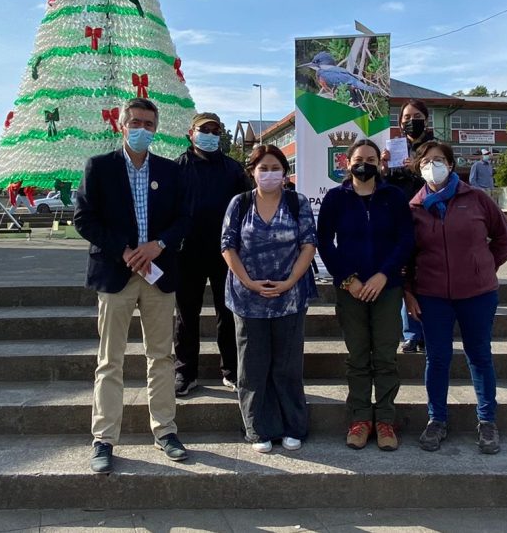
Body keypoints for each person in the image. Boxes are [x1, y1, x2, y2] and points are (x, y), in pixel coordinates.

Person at [73, 97, 191, 474]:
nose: (142, 129)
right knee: (110, 361)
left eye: (149, 124)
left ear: (156, 129)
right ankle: (104, 438)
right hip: (116, 273)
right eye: (135, 122)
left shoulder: (171, 171)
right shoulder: (100, 167)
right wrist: (124, 251)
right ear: (122, 125)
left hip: (159, 276)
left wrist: (159, 244)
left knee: (162, 357)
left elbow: (184, 218)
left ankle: (166, 431)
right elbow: (84, 219)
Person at [405, 140, 507, 455]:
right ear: (419, 167)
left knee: (479, 356)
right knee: (437, 359)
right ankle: (436, 419)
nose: (433, 166)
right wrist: (409, 291)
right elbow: (407, 256)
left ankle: (487, 421)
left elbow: (504, 236)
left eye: (439, 160)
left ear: (451, 165)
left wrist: (485, 266)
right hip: (433, 296)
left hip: (477, 295)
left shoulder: (476, 199)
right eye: (426, 161)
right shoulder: (414, 209)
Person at [317, 139, 414, 451]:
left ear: (379, 163)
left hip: (386, 289)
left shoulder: (394, 197)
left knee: (385, 357)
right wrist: (348, 279)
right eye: (359, 159)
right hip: (350, 290)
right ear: (347, 162)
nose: (364, 164)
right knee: (357, 357)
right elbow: (324, 243)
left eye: (371, 159)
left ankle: (385, 419)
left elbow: (406, 240)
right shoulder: (335, 198)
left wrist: (383, 275)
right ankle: (360, 419)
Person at [221, 145, 317, 454]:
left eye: (276, 168)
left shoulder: (296, 202)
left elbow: (308, 244)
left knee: (287, 365)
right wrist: (248, 281)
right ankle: (257, 428)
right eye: (263, 168)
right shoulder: (240, 203)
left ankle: (293, 426)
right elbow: (227, 245)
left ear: (285, 173)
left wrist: (290, 280)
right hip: (248, 298)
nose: (269, 173)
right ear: (252, 172)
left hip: (290, 297)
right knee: (252, 366)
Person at [174, 112, 253, 397]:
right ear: (191, 133)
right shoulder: (177, 168)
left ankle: (231, 370)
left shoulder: (233, 169)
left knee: (228, 312)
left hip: (226, 254)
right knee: (185, 315)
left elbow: (247, 209)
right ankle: (185, 372)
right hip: (187, 253)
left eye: (214, 130)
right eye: (203, 129)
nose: (209, 134)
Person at [380, 99, 435, 354]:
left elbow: (436, 177)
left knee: (427, 276)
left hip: (429, 217)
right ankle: (411, 334)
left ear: (425, 118)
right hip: (401, 218)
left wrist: (413, 168)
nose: (409, 121)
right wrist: (384, 167)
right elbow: (387, 186)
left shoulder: (434, 148)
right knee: (405, 275)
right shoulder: (396, 149)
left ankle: (428, 332)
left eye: (415, 116)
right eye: (404, 118)